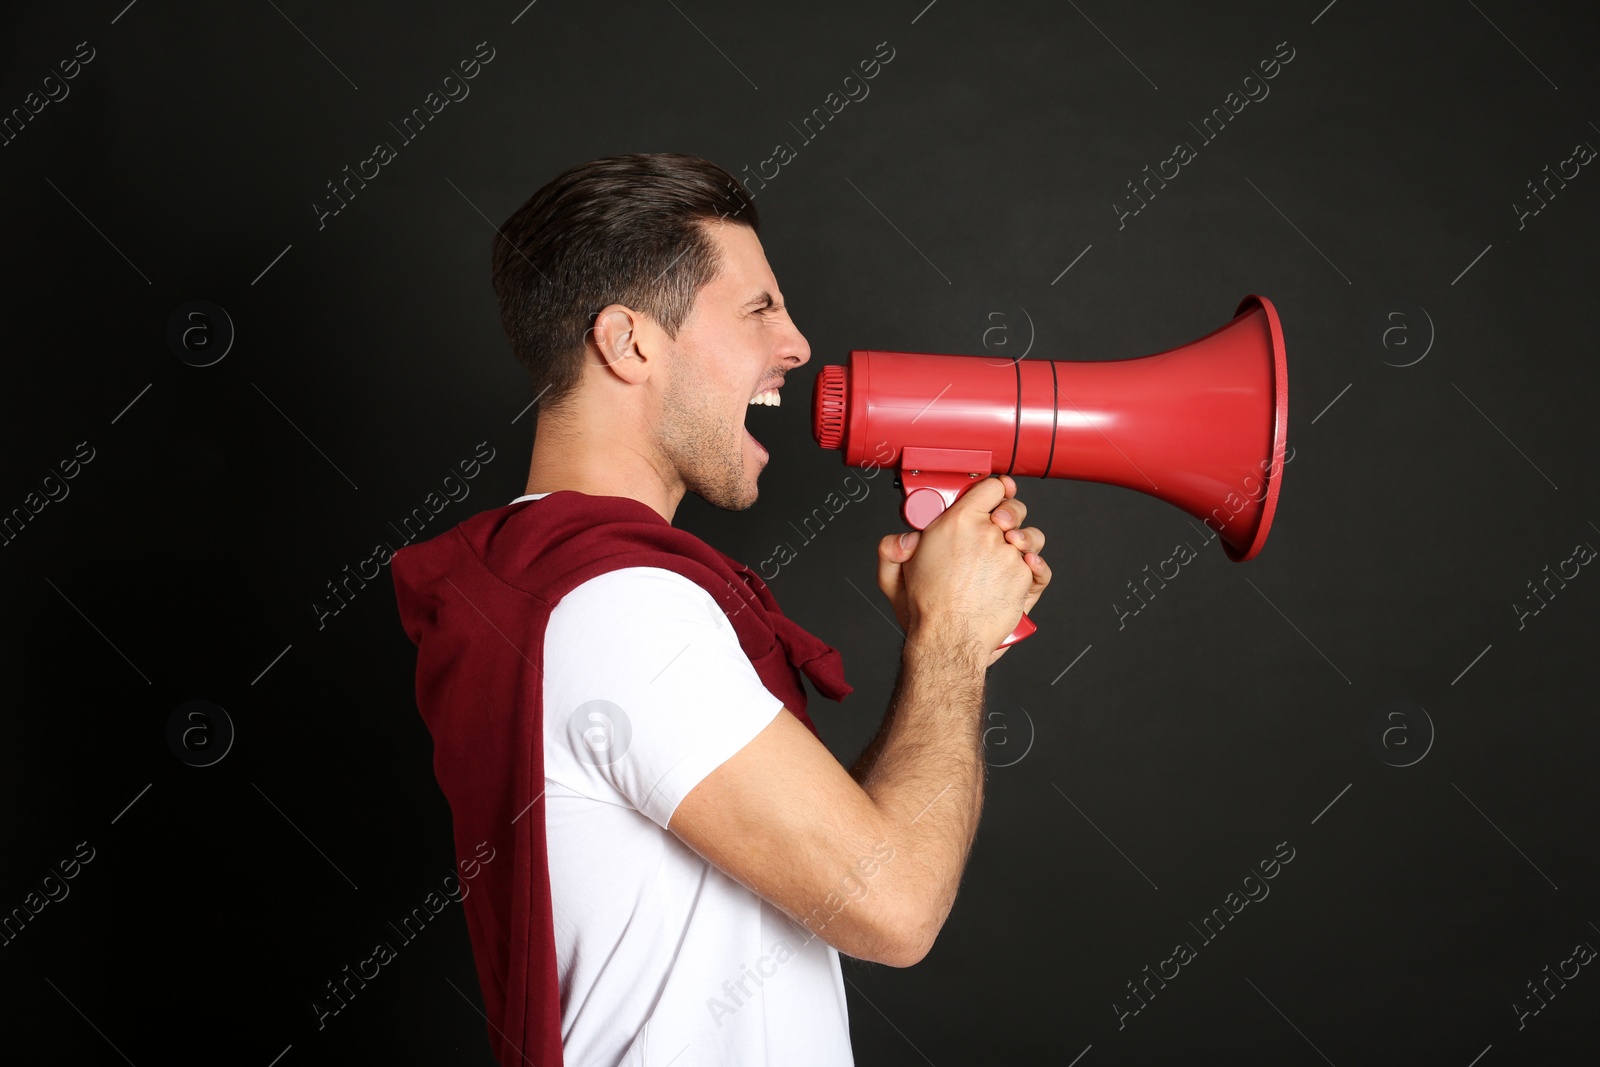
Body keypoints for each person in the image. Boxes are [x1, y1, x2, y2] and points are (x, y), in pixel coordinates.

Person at [391, 152, 1050, 1066]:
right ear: (628, 343)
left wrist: (948, 639)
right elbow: (893, 903)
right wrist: (952, 643)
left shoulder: (563, 589)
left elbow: (836, 854)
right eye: (758, 310)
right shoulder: (617, 609)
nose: (797, 345)